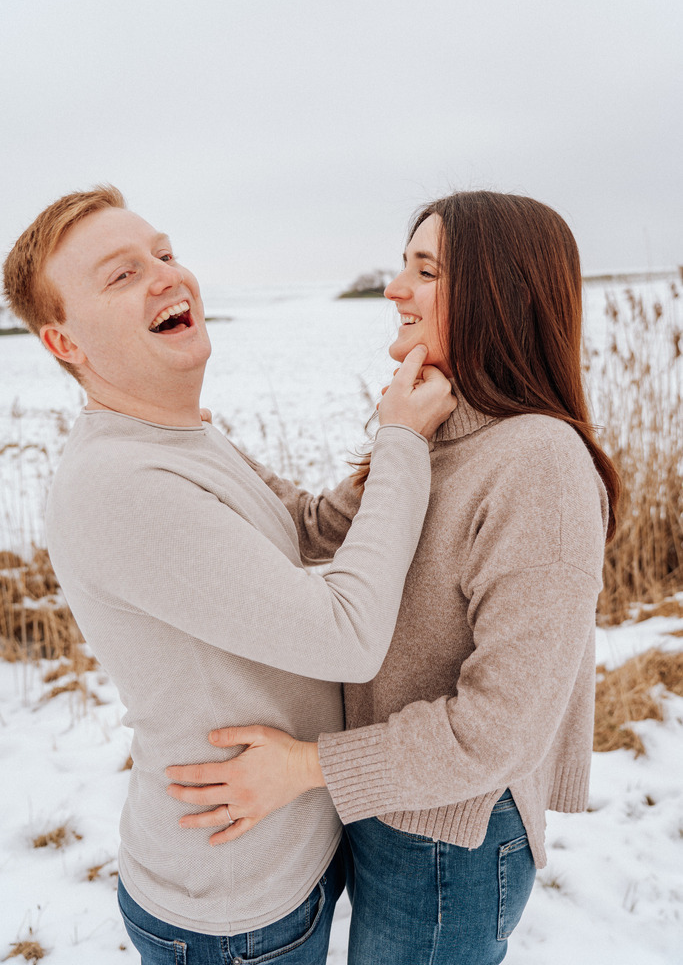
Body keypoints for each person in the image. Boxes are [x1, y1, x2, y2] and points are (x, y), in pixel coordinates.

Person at [2, 185, 458, 964]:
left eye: (164, 253)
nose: (165, 276)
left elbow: (305, 529)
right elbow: (346, 637)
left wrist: (409, 432)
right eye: (121, 275)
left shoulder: (178, 434)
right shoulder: (121, 484)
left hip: (288, 847)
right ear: (63, 342)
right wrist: (402, 442)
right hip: (231, 908)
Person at [167, 191, 620, 965]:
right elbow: (314, 531)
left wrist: (302, 768)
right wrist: (190, 439)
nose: (393, 288)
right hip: (384, 800)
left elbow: (497, 732)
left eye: (425, 271)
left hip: (449, 841)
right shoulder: (431, 428)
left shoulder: (538, 465)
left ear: (496, 294)